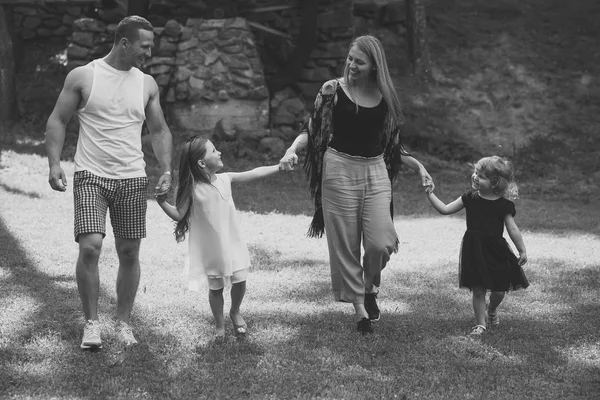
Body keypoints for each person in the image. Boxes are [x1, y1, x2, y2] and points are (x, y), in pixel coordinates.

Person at [279, 35, 434, 334]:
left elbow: (393, 145)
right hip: (338, 170)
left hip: (375, 171)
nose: (351, 65)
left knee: (382, 243)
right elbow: (312, 129)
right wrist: (291, 150)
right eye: (350, 58)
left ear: (375, 66)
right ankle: (361, 310)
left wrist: (419, 167)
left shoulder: (385, 97)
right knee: (346, 245)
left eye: (359, 62)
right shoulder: (332, 90)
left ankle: (368, 287)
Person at [45, 16, 174, 349]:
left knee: (129, 251)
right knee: (90, 247)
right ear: (125, 43)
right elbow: (58, 120)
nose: (150, 52)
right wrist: (54, 163)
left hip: (132, 178)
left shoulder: (147, 84)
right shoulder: (84, 76)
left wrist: (167, 169)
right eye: (146, 46)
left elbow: (158, 131)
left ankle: (124, 322)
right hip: (91, 176)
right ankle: (91, 324)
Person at [156, 136, 284, 339]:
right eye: (214, 151)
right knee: (216, 288)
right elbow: (179, 214)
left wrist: (279, 167)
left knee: (240, 281)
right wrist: (161, 202)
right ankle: (219, 324)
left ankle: (235, 311)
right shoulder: (193, 190)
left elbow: (253, 172)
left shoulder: (225, 179)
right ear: (201, 163)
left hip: (233, 242)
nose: (219, 153)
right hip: (213, 249)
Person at [425, 156, 529, 336]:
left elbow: (512, 229)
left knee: (498, 290)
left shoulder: (503, 205)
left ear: (495, 183)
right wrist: (429, 193)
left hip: (496, 250)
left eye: (481, 176)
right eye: (475, 172)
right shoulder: (469, 198)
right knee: (479, 288)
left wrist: (522, 250)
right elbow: (445, 209)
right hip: (474, 249)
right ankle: (480, 324)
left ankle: (492, 310)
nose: (475, 177)